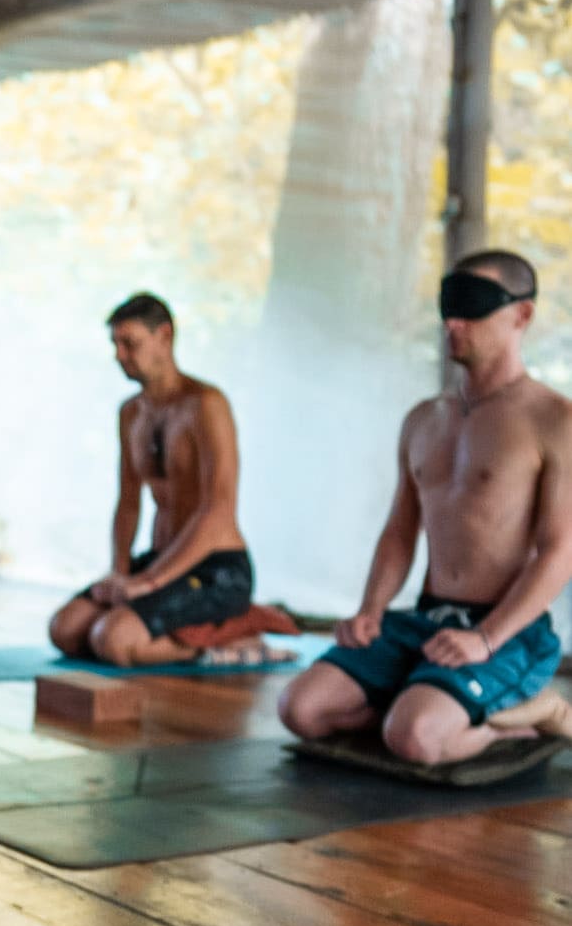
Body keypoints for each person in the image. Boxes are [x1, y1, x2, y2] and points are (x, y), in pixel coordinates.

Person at [279, 251, 572, 766]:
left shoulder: (554, 421)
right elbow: (400, 532)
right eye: (448, 305)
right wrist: (370, 609)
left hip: (507, 630)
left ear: (521, 315)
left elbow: (560, 550)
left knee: (415, 739)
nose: (453, 322)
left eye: (474, 307)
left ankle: (534, 713)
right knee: (300, 709)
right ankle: (422, 700)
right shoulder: (423, 419)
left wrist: (486, 638)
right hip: (426, 619)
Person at [47, 294, 253, 667]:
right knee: (66, 629)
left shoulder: (207, 405)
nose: (120, 355)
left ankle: (237, 635)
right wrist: (120, 572)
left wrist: (151, 583)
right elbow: (128, 501)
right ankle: (183, 625)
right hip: (160, 560)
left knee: (112, 640)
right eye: (116, 345)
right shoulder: (130, 413)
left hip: (216, 569)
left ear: (165, 336)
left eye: (131, 344)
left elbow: (219, 509)